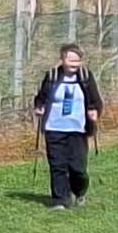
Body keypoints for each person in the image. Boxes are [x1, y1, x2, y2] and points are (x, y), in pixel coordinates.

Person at [32, 43, 102, 210]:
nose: (74, 65)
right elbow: (41, 97)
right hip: (54, 128)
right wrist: (39, 106)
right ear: (62, 60)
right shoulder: (52, 76)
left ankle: (79, 192)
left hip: (78, 129)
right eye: (71, 61)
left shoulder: (85, 77)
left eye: (77, 61)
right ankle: (60, 201)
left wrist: (94, 111)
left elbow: (95, 100)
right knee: (57, 165)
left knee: (78, 168)